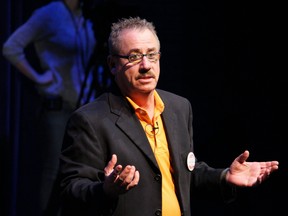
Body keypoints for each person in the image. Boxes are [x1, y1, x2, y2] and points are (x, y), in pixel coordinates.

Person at [58, 17, 279, 216]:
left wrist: (225, 177)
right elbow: (70, 190)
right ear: (113, 65)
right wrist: (104, 190)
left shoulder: (179, 108)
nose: (146, 65)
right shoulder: (90, 120)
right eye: (134, 56)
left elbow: (184, 173)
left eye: (152, 55)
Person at [2, 0, 100, 214]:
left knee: (86, 168)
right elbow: (11, 47)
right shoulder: (49, 13)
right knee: (55, 170)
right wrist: (38, 77)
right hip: (58, 107)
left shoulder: (86, 16)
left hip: (84, 107)